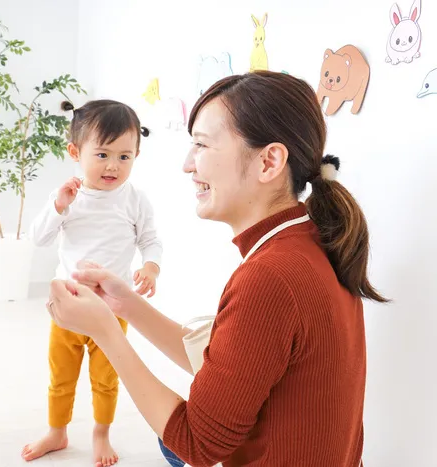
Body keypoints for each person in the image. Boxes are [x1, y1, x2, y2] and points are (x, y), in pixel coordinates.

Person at [45, 71, 388, 467]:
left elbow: (197, 444)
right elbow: (233, 365)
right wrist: (125, 305)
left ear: (269, 161)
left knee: (172, 444)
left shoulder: (271, 276)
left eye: (202, 145)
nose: (188, 165)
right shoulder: (313, 239)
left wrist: (105, 332)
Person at [23, 100, 162, 467]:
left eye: (124, 156)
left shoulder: (135, 200)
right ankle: (57, 431)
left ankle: (101, 433)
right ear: (75, 152)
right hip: (67, 309)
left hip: (111, 310)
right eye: (102, 154)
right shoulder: (69, 196)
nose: (113, 166)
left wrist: (151, 267)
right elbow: (37, 238)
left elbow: (151, 240)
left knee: (106, 379)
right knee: (61, 376)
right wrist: (58, 204)